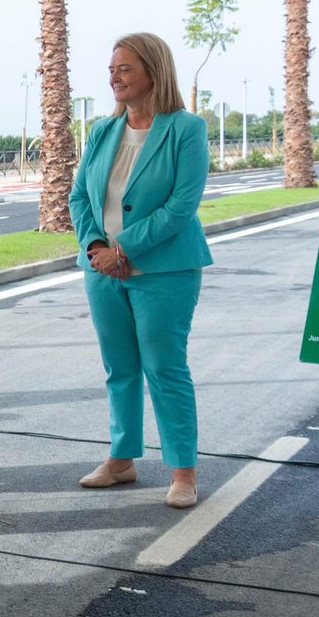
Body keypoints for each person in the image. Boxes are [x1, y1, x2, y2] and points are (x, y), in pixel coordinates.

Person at [70, 33, 212, 509]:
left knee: (165, 367)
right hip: (101, 269)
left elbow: (181, 206)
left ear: (154, 71)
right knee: (120, 368)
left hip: (164, 269)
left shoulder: (186, 129)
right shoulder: (101, 132)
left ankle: (183, 472)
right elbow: (79, 197)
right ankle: (122, 459)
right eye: (112, 69)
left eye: (125, 68)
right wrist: (96, 247)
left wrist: (123, 248)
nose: (114, 76)